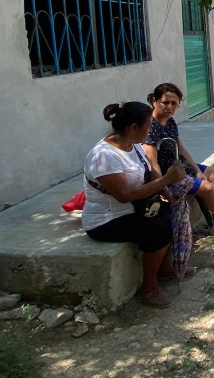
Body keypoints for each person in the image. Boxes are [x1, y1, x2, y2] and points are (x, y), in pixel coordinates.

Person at [83, 102, 186, 308]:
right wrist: (166, 181)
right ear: (133, 127)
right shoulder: (104, 156)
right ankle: (149, 288)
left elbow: (150, 171)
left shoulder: (134, 146)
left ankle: (165, 268)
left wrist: (167, 194)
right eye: (148, 126)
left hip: (133, 208)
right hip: (107, 219)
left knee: (170, 212)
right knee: (158, 229)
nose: (150, 131)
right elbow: (124, 195)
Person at [143, 83, 214, 236]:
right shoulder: (150, 127)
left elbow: (181, 149)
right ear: (154, 102)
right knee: (207, 188)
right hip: (169, 174)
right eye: (165, 103)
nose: (170, 107)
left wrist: (196, 170)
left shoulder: (170, 121)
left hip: (180, 164)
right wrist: (163, 187)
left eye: (174, 103)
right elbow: (152, 162)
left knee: (213, 173)